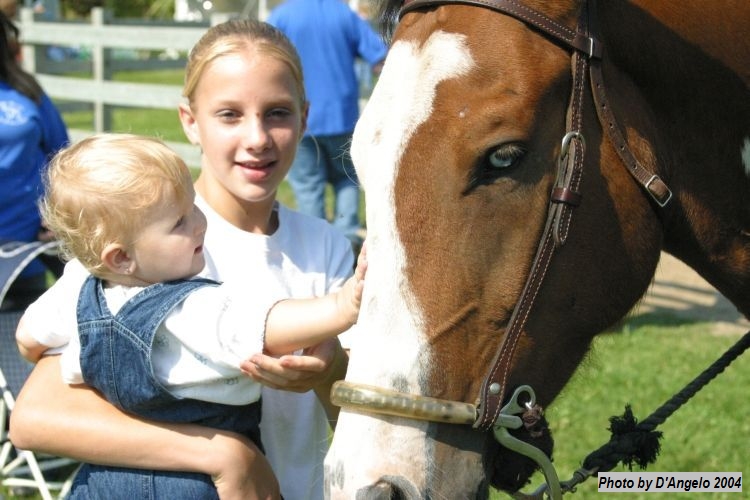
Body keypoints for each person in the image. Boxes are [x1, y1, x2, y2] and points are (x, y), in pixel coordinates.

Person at [10, 19, 355, 500]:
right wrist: (225, 456)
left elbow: (357, 420)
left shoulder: (326, 246)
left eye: (277, 112)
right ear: (190, 121)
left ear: (305, 117)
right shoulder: (142, 246)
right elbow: (34, 420)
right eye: (229, 114)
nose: (257, 137)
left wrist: (331, 368)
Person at [268, 0, 388, 251]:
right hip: (342, 117)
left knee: (308, 187)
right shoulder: (344, 14)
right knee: (346, 180)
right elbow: (379, 58)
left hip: (299, 120)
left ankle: (315, 250)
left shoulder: (281, 17)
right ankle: (347, 245)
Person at [0, 11, 68, 309]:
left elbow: (63, 158)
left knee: (21, 350)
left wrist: (58, 213)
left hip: (25, 255)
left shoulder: (26, 93)